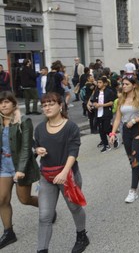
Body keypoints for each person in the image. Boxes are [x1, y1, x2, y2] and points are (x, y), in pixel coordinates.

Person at [34, 92, 89, 253]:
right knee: (44, 215)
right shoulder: (39, 129)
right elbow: (35, 146)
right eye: (44, 105)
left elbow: (73, 151)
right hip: (46, 176)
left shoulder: (70, 127)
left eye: (51, 104)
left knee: (74, 208)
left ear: (60, 105)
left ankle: (82, 235)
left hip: (68, 176)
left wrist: (65, 172)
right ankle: (42, 249)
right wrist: (38, 150)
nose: (47, 107)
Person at [0, 92, 39, 249]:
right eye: (1, 102)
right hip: (4, 165)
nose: (3, 105)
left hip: (20, 166)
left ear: (14, 104)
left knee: (25, 199)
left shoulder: (24, 121)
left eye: (7, 102)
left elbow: (25, 149)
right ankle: (9, 232)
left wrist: (21, 169)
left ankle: (46, 207)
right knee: (2, 199)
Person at [108, 76, 139, 203]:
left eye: (127, 84)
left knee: (135, 159)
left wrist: (134, 120)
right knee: (131, 158)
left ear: (134, 85)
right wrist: (112, 133)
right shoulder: (121, 99)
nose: (123, 86)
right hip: (126, 131)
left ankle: (133, 191)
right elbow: (118, 118)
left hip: (137, 129)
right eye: (123, 84)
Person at [89, 76, 116, 152]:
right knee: (101, 130)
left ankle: (113, 136)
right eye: (98, 82)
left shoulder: (109, 91)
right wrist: (94, 104)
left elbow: (111, 102)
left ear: (105, 83)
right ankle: (106, 145)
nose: (98, 84)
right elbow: (93, 101)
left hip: (106, 112)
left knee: (106, 128)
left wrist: (101, 105)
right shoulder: (96, 92)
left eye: (100, 82)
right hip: (98, 113)